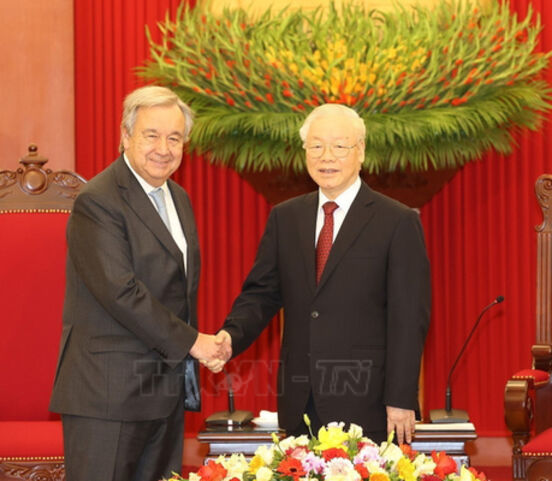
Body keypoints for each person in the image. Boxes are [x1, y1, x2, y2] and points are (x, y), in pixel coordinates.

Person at [217, 103, 431, 444]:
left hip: (369, 403)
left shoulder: (397, 221)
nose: (326, 156)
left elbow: (409, 318)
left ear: (360, 151)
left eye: (339, 146)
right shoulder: (286, 218)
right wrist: (230, 337)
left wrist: (401, 398)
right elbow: (261, 294)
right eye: (316, 146)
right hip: (301, 401)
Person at [49, 85, 230, 481]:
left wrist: (197, 346)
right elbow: (120, 291)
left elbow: (177, 292)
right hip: (108, 396)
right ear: (125, 136)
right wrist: (194, 342)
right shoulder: (98, 200)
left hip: (163, 393)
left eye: (174, 138)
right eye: (151, 135)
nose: (163, 148)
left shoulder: (178, 198)